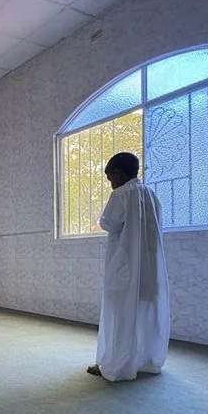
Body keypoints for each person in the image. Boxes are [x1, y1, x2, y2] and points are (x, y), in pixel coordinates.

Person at [87, 152, 170, 382]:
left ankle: (115, 365)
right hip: (149, 267)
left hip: (125, 265)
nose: (111, 183)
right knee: (145, 314)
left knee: (120, 316)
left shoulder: (121, 193)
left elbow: (109, 223)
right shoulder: (151, 195)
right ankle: (145, 361)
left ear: (118, 173)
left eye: (110, 178)